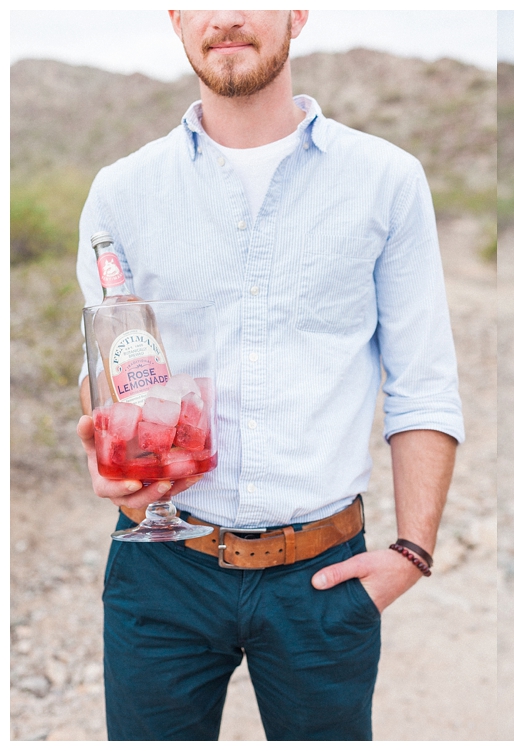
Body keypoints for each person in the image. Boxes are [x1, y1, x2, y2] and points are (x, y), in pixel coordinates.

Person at [75, 10, 463, 741]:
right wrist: (96, 441)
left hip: (322, 577)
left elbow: (424, 381)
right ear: (175, 18)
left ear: (297, 13)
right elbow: (102, 374)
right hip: (161, 572)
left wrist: (411, 552)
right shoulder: (121, 192)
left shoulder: (386, 180)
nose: (226, 16)